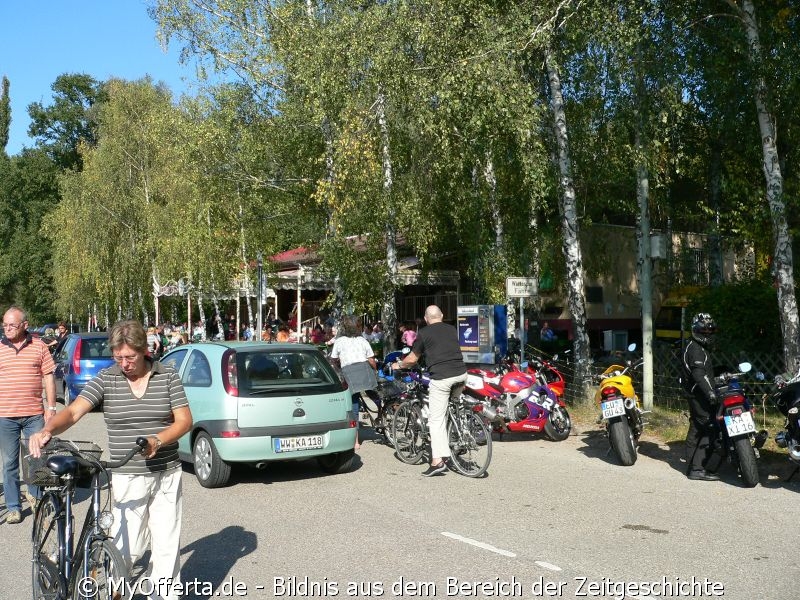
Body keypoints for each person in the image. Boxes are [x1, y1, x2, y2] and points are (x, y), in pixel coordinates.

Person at [28, 320, 192, 599]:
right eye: (119, 357)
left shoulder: (168, 376)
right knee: (128, 548)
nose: (125, 363)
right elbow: (75, 411)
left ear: (144, 350)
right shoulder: (108, 378)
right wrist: (48, 429)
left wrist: (158, 440)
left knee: (166, 547)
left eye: (130, 357)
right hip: (127, 473)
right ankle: (118, 589)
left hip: (165, 472)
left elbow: (185, 420)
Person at [393, 305, 467, 477]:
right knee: (452, 408)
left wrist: (399, 365)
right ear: (441, 315)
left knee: (436, 420)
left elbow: (412, 359)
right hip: (461, 375)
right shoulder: (451, 329)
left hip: (442, 379)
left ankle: (437, 461)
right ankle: (457, 436)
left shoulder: (424, 333)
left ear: (426, 319)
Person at [0, 306, 57, 524]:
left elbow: (49, 378)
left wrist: (51, 409)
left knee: (37, 459)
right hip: (5, 415)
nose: (7, 329)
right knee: (9, 463)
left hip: (34, 414)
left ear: (25, 325)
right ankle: (14, 507)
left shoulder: (40, 347)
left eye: (12, 325)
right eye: (4, 325)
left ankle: (36, 498)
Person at [680, 312, 720, 482]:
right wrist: (710, 392)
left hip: (694, 393)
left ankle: (690, 464)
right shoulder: (695, 350)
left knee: (696, 428)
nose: (707, 334)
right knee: (710, 428)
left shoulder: (694, 347)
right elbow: (699, 374)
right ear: (695, 330)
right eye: (703, 331)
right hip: (699, 394)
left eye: (710, 331)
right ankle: (697, 468)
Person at [330, 315, 378, 451]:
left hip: (349, 372)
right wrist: (376, 370)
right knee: (374, 393)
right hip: (364, 370)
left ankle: (356, 441)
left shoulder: (339, 342)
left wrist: (339, 368)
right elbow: (371, 360)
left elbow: (333, 359)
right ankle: (382, 414)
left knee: (354, 404)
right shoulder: (362, 340)